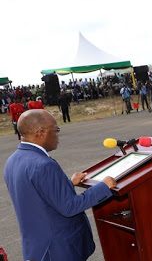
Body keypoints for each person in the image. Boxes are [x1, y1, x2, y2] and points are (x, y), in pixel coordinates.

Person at [4, 109, 116, 261]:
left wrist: (68, 183)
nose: (58, 135)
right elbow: (69, 207)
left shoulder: (13, 160)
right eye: (55, 130)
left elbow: (37, 196)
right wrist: (104, 186)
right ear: (40, 132)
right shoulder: (43, 164)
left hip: (37, 248)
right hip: (57, 249)